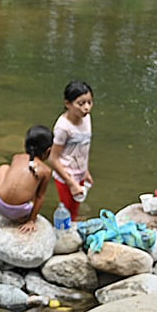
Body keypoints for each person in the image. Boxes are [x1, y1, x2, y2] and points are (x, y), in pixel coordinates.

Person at [0, 124, 54, 232]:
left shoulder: (17, 157)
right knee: (35, 186)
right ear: (48, 150)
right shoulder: (46, 171)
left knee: (4, 167)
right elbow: (40, 197)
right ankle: (23, 214)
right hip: (19, 213)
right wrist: (31, 220)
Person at [48, 80, 94, 219]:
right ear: (68, 104)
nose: (86, 108)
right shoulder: (63, 128)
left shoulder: (86, 119)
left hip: (79, 173)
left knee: (74, 210)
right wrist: (71, 183)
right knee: (68, 212)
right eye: (81, 104)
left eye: (89, 102)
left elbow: (82, 149)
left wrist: (85, 171)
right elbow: (52, 158)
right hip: (66, 176)